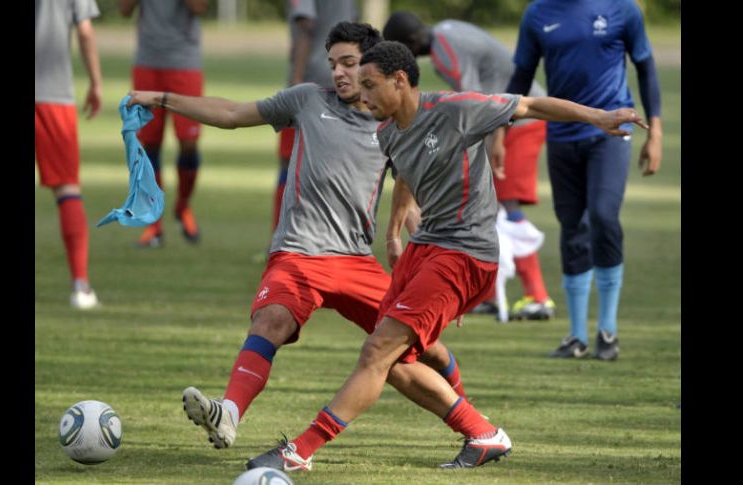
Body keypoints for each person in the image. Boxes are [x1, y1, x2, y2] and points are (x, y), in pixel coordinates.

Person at [245, 41, 647, 472]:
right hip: (427, 247)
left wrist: (600, 117)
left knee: (377, 350)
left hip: (466, 251)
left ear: (400, 81)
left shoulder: (457, 109)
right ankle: (481, 432)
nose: (361, 96)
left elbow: (531, 105)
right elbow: (406, 176)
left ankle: (299, 451)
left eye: (370, 85)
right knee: (395, 361)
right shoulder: (387, 131)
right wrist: (396, 230)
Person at [126, 22, 468, 450]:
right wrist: (160, 99)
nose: (339, 73)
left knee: (424, 344)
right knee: (270, 321)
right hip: (298, 252)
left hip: (355, 260)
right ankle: (227, 414)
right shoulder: (308, 100)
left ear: (373, 66)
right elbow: (232, 115)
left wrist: (431, 263)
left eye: (349, 63)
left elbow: (413, 201)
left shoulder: (392, 125)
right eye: (333, 64)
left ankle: (471, 414)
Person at [505, 0, 663, 360]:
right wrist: (499, 131)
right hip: (561, 139)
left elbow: (646, 68)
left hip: (611, 135)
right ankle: (576, 336)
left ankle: (607, 332)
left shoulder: (624, 9)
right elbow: (520, 78)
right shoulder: (537, 14)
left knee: (604, 217)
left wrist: (655, 134)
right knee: (572, 227)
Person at [382, 11, 555, 321]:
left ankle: (538, 296)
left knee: (506, 203)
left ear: (410, 44)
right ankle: (487, 293)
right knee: (492, 202)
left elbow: (471, 103)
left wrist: (495, 142)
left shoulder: (445, 51)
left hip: (519, 121)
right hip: (509, 118)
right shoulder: (448, 30)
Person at [118, 0, 209, 248]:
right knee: (149, 146)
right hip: (148, 61)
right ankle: (153, 225)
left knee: (189, 144)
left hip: (184, 61)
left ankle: (183, 206)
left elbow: (199, 6)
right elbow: (124, 10)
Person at [35, 0, 103, 310]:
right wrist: (96, 82)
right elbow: (85, 31)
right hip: (53, 94)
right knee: (67, 187)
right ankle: (80, 285)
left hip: (52, 94)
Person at [272, 0, 358, 232]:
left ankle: (280, 237)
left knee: (289, 161)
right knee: (336, 163)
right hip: (342, 81)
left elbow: (305, 25)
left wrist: (296, 81)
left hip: (311, 82)